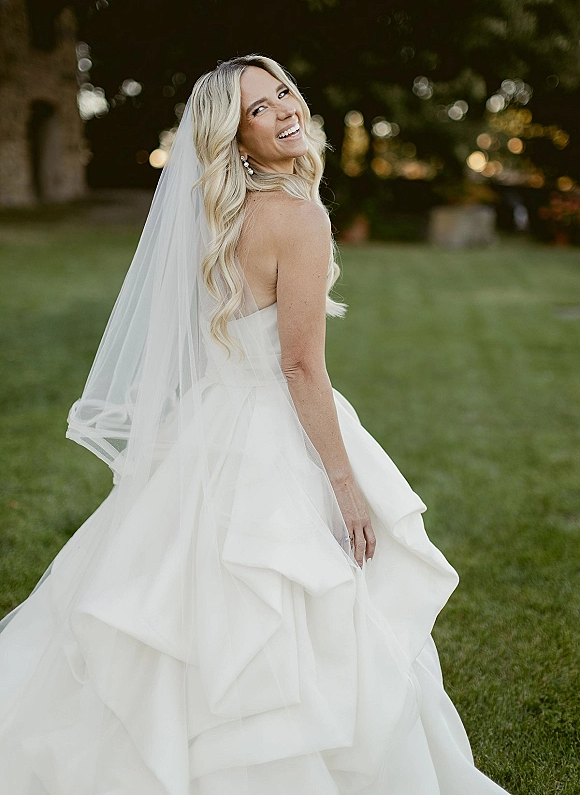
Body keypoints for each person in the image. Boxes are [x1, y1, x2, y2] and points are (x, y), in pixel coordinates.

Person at [0, 54, 512, 794]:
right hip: (275, 428)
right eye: (260, 109)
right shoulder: (299, 217)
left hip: (207, 427)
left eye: (283, 93)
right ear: (236, 139)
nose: (283, 110)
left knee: (174, 604)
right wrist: (344, 483)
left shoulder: (213, 215)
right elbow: (300, 367)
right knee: (301, 614)